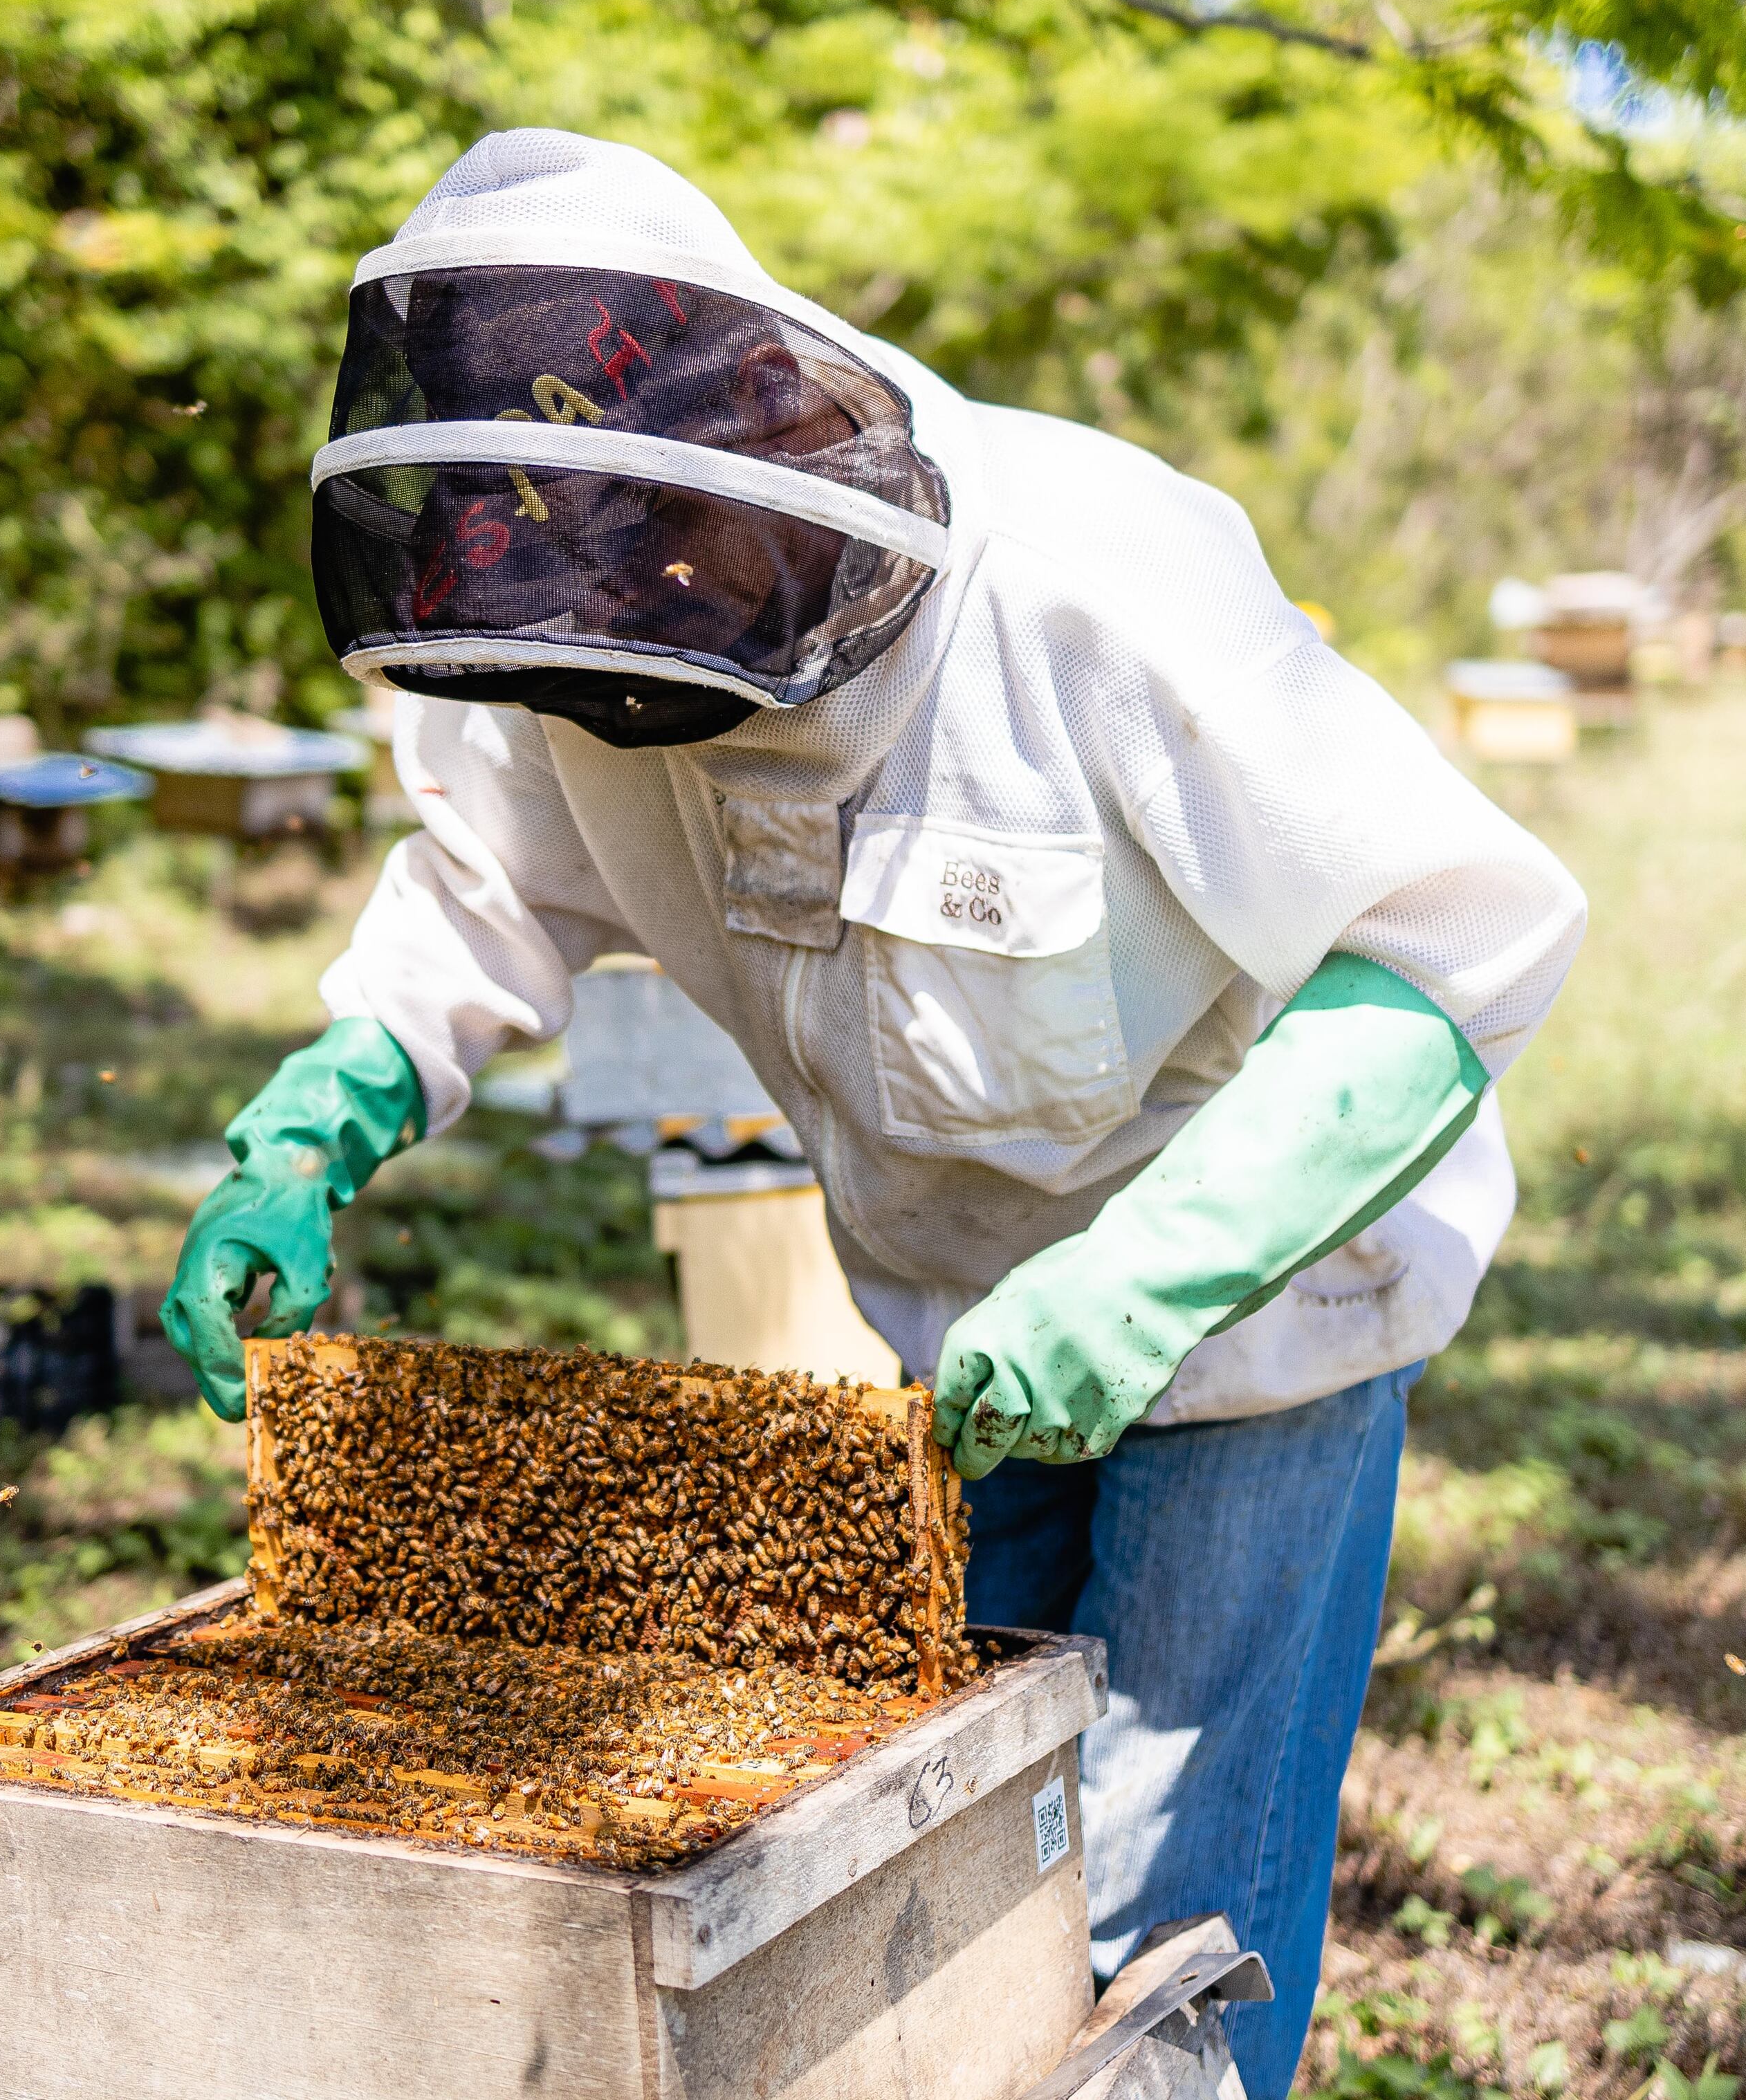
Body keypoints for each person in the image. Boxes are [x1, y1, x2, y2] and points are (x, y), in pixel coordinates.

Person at [161, 129, 1585, 2093]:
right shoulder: (575, 603)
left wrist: (1143, 1288)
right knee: (944, 1866)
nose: (615, 625)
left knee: (1158, 1922)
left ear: (759, 412)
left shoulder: (1091, 581)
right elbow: (493, 884)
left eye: (641, 564)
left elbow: (1456, 937)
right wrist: (321, 1118)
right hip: (950, 1335)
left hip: (1261, 1311)